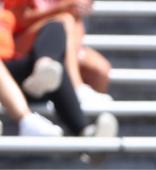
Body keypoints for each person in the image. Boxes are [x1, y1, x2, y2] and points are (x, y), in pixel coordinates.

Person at [1, 5, 113, 136]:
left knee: (54, 66)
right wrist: (63, 8)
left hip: (12, 69)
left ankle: (85, 131)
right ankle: (26, 119)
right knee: (61, 23)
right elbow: (24, 19)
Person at [0, 7, 62, 135]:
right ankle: (26, 120)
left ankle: (84, 130)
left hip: (10, 65)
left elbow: (23, 21)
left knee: (58, 25)